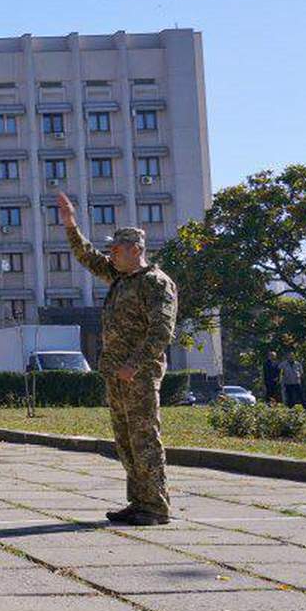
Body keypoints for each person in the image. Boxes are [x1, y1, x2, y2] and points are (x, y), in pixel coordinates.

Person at [57, 192, 177, 526]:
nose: (111, 255)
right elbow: (87, 256)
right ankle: (139, 502)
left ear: (135, 250)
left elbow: (162, 331)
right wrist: (70, 225)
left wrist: (134, 365)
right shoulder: (121, 279)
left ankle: (155, 506)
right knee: (125, 442)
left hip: (138, 375)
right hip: (117, 374)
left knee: (144, 439)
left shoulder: (155, 283)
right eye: (111, 251)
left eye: (117, 250)